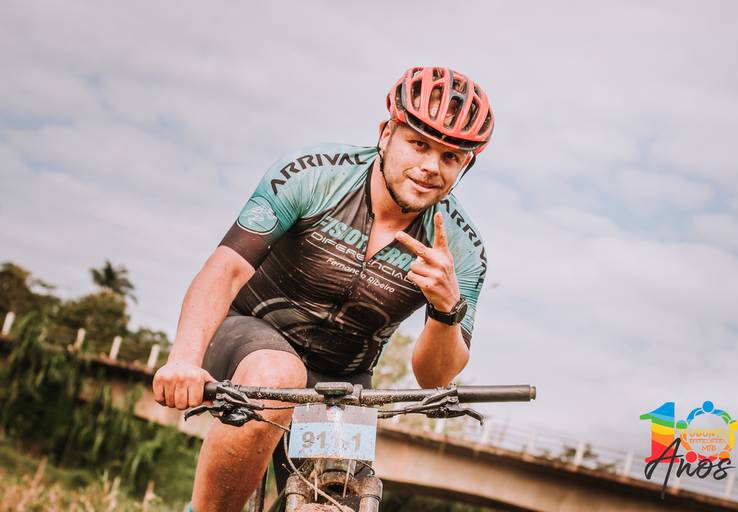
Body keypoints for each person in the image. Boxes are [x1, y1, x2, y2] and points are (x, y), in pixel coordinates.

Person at [152, 66, 494, 512]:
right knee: (278, 375)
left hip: (343, 380)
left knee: (335, 502)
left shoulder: (462, 249)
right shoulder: (314, 175)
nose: (431, 167)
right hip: (247, 335)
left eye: (450, 157)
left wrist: (447, 308)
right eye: (419, 144)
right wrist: (183, 359)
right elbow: (225, 269)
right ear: (386, 134)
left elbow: (434, 379)